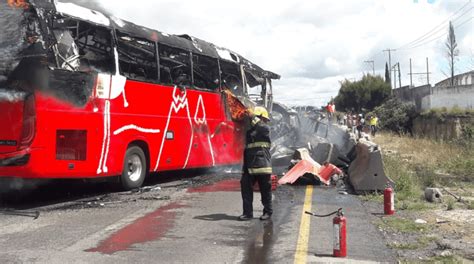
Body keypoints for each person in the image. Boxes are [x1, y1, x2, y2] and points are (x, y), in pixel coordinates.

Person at [239, 106, 273, 221]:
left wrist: (252, 116)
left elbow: (260, 126)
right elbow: (247, 151)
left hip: (262, 166)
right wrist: (244, 168)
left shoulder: (265, 129)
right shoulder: (250, 132)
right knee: (245, 188)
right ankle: (248, 213)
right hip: (249, 167)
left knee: (265, 190)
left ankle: (268, 212)